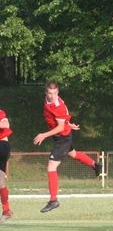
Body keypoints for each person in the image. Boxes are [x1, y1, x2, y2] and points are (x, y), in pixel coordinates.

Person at [33, 82, 101, 213]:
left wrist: (44, 135)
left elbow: (59, 126)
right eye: (50, 93)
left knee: (51, 166)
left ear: (58, 93)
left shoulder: (58, 106)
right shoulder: (47, 100)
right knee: (73, 154)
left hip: (62, 138)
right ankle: (95, 165)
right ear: (46, 93)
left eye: (55, 93)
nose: (52, 96)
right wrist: (68, 124)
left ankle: (53, 201)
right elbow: (61, 121)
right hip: (61, 135)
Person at [0, 108, 13, 223]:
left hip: (2, 146)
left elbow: (5, 124)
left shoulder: (0, 112)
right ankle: (6, 210)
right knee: (0, 183)